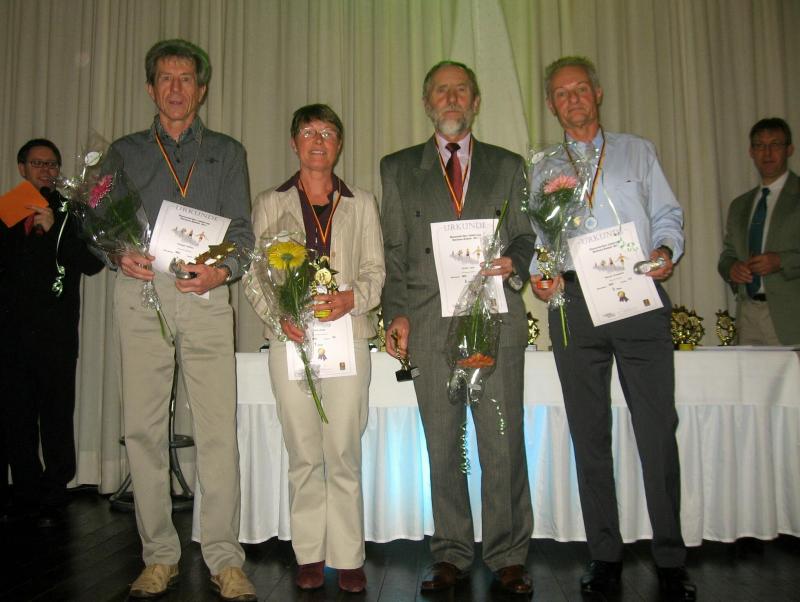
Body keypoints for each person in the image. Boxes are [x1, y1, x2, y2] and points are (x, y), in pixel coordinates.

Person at [529, 56, 695, 599]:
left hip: (637, 290)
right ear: (551, 104)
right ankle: (604, 554)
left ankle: (670, 557)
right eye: (561, 93)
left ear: (597, 93)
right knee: (589, 432)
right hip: (574, 302)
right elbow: (539, 240)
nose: (572, 99)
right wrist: (540, 275)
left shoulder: (637, 151)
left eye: (580, 89)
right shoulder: (542, 166)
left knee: (656, 428)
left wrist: (665, 249)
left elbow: (667, 214)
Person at [380, 61, 535, 596]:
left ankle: (508, 553)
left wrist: (515, 262)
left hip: (496, 323)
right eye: (441, 91)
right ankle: (450, 550)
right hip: (428, 324)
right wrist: (396, 312)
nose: (451, 99)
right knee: (443, 446)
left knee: (502, 443)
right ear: (427, 103)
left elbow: (525, 236)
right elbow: (394, 251)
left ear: (476, 101)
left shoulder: (508, 165)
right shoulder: (398, 168)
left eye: (461, 90)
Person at [110, 39, 256, 601]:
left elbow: (241, 232)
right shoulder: (122, 153)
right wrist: (116, 253)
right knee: (144, 429)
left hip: (206, 293)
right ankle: (159, 555)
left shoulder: (227, 151)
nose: (176, 88)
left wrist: (223, 271)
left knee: (218, 430)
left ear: (202, 88)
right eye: (166, 79)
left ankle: (224, 558)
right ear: (151, 88)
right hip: (141, 290)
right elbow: (100, 225)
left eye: (186, 78)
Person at [244, 104, 385, 594]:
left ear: (339, 144)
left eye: (327, 132)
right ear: (294, 143)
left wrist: (352, 298)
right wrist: (277, 315)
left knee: (343, 449)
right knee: (303, 450)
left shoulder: (361, 202)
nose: (318, 140)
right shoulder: (270, 202)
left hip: (348, 336)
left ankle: (348, 556)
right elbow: (255, 274)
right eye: (308, 132)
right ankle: (309, 552)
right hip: (291, 339)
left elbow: (376, 272)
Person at [0, 139, 103, 527]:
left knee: (57, 414)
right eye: (37, 163)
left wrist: (54, 227)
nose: (46, 170)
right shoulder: (7, 208)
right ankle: (25, 490)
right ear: (21, 168)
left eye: (52, 164)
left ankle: (56, 489)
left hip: (56, 333)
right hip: (11, 334)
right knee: (17, 416)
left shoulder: (72, 210)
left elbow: (92, 263)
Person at [717, 118, 800, 345]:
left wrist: (781, 261)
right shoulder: (739, 205)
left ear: (789, 149)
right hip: (748, 314)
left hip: (792, 316)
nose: (767, 152)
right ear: (751, 152)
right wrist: (732, 268)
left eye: (775, 144)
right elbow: (727, 256)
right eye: (760, 145)